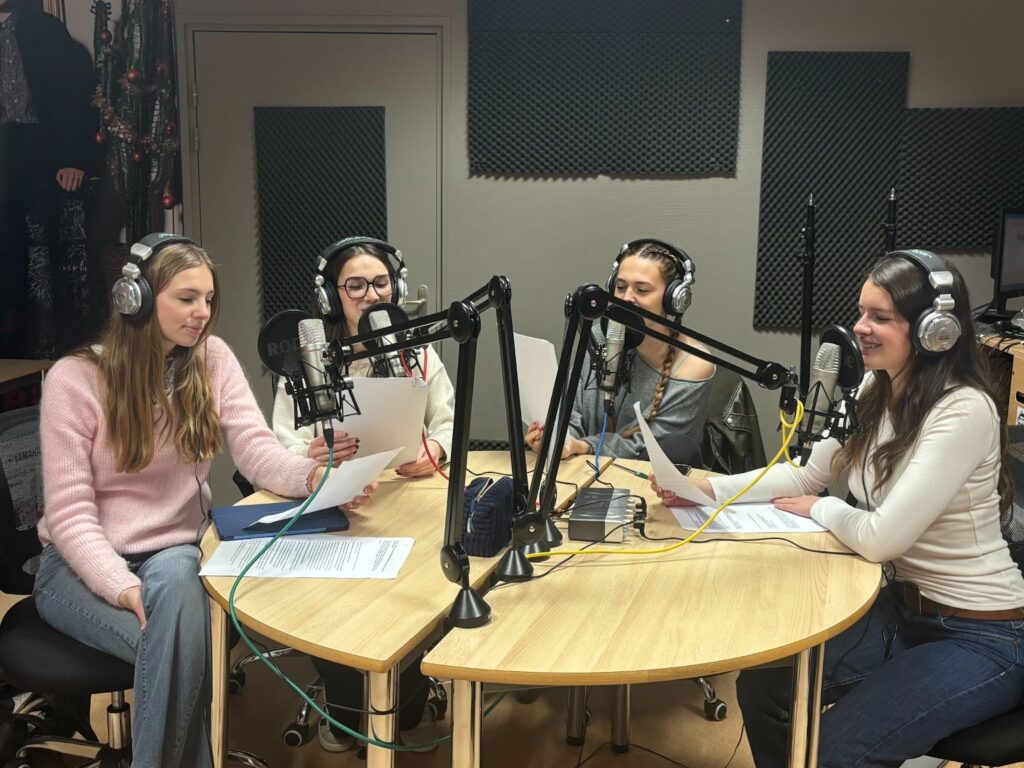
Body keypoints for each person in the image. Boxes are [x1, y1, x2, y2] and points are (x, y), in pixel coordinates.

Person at [652, 250, 1024, 768]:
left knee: (833, 754)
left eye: (880, 317)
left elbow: (880, 538)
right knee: (765, 689)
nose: (860, 328)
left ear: (935, 330)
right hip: (903, 612)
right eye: (861, 312)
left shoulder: (963, 409)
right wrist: (707, 490)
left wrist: (822, 510)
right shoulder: (875, 386)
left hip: (981, 634)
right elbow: (806, 475)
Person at [32, 234, 374, 768]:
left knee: (177, 585)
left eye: (209, 299)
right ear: (136, 299)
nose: (203, 313)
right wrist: (122, 587)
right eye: (186, 298)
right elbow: (71, 517)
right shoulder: (74, 380)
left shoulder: (212, 359)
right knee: (188, 646)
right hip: (77, 569)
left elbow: (256, 451)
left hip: (177, 559)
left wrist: (314, 477)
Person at [272, 236, 454, 753]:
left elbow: (448, 417)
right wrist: (310, 456)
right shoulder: (308, 361)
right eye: (355, 285)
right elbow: (281, 441)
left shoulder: (417, 352)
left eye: (380, 283)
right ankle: (345, 697)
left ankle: (409, 696)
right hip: (340, 505)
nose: (370, 294)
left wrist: (437, 450)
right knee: (340, 621)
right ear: (331, 296)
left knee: (416, 599)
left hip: (408, 501)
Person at [526, 239, 715, 466]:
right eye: (621, 287)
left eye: (642, 290)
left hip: (648, 479)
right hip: (582, 468)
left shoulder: (693, 365)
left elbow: (656, 448)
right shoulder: (600, 336)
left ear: (673, 299)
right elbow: (574, 412)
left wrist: (585, 446)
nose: (626, 298)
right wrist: (559, 439)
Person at [0, 0, 93, 357]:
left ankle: (62, 349)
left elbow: (72, 98)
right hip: (3, 144)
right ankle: (10, 351)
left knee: (54, 248)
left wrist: (72, 159)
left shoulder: (46, 29)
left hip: (41, 145)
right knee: (7, 247)